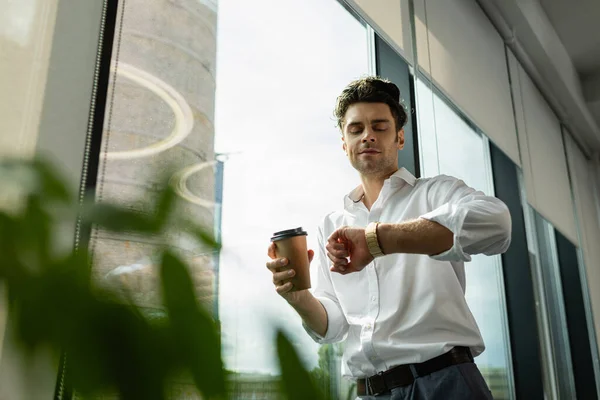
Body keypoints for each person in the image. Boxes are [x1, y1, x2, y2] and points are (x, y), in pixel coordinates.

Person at [266, 77, 511, 399]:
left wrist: (376, 239)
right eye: (356, 129)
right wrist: (297, 297)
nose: (367, 135)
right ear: (344, 143)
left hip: (444, 382)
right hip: (369, 392)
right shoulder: (332, 223)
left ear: (399, 137)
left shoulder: (437, 193)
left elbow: (497, 223)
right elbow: (334, 325)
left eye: (379, 126)